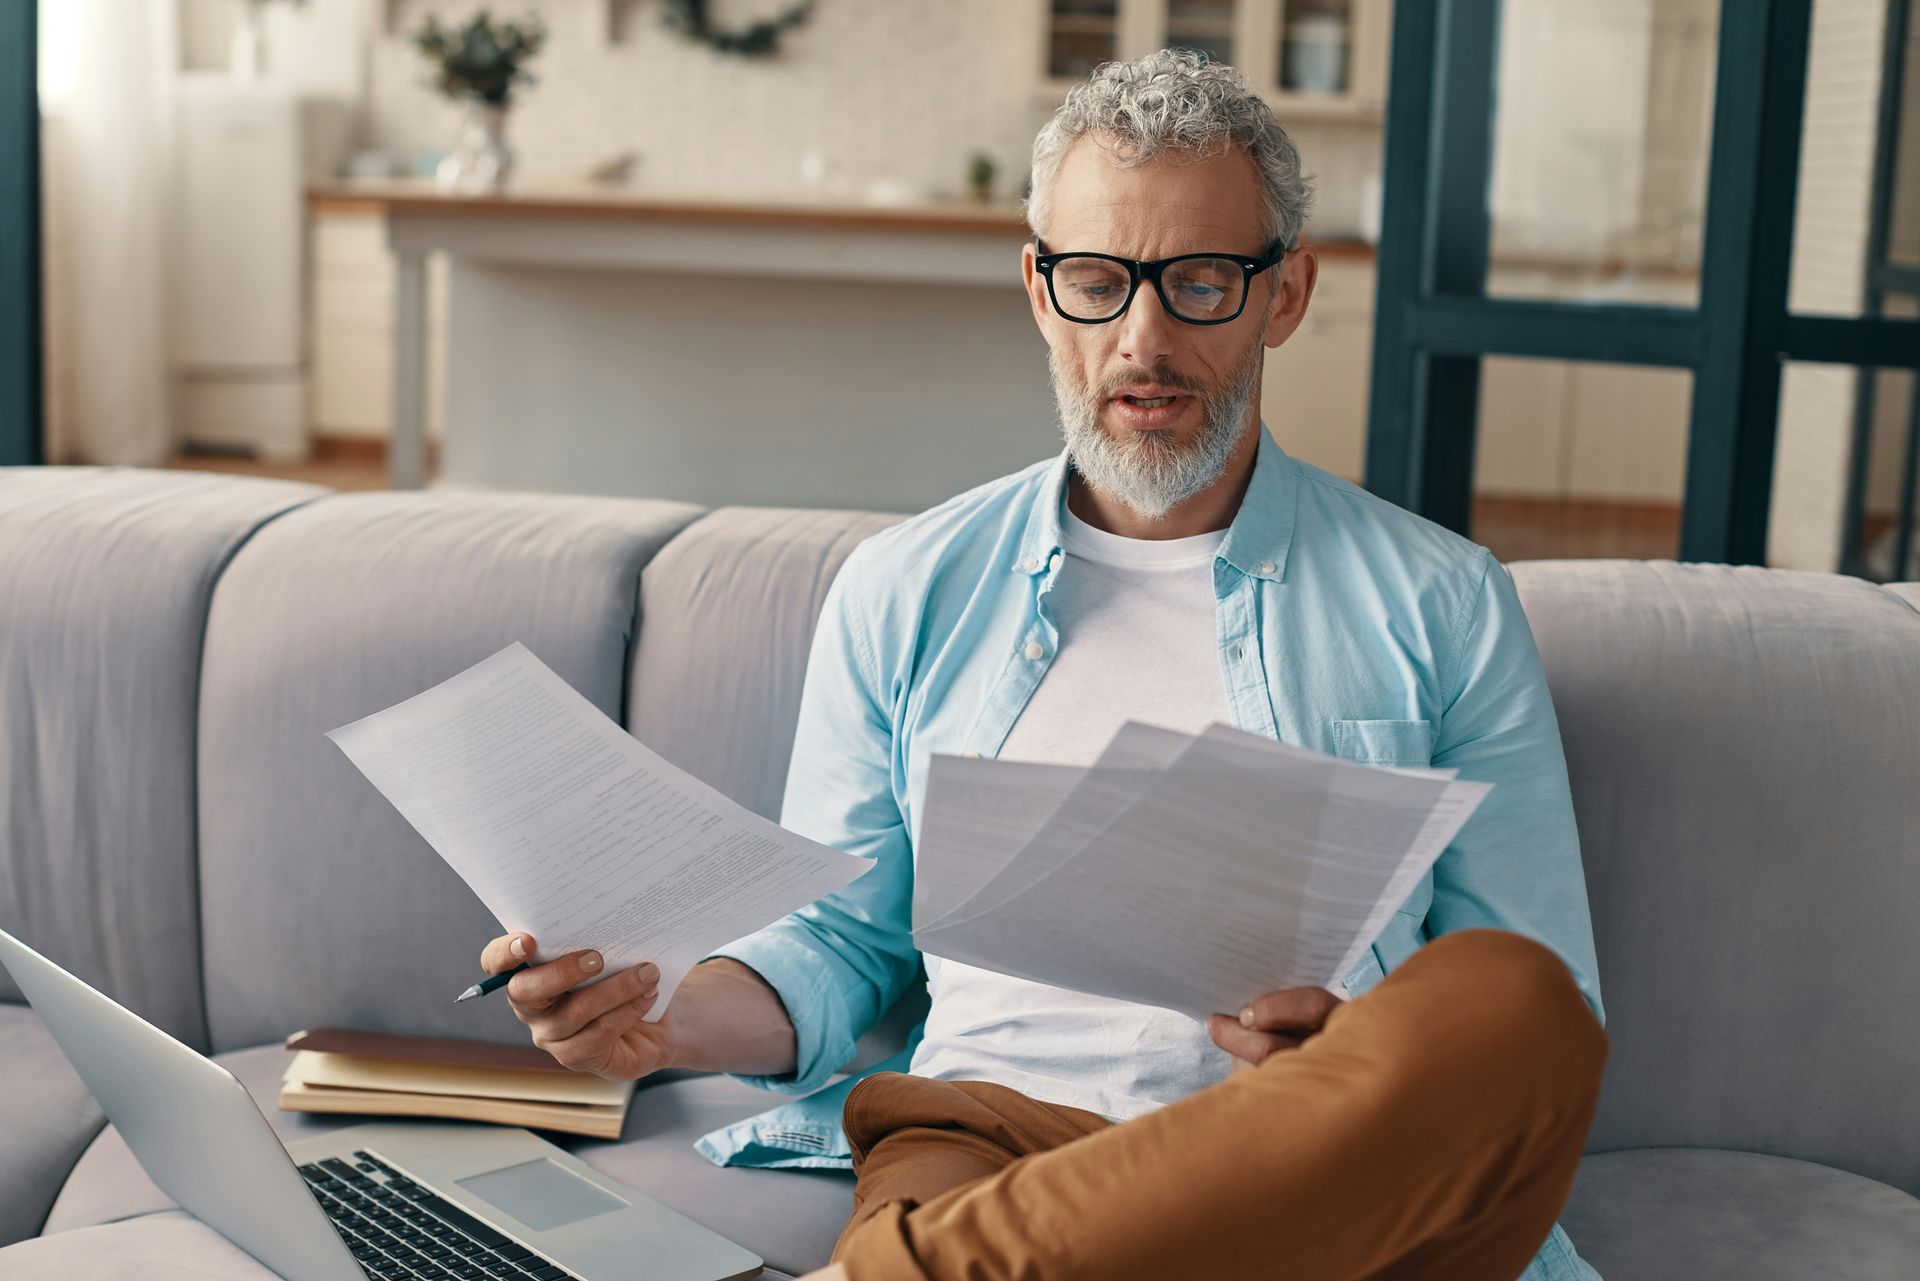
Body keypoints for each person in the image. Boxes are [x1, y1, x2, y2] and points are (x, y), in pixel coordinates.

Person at [480, 50, 1608, 1281]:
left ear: (1285, 295)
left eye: (1201, 283)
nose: (1144, 338)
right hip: (991, 1144)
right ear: (1037, 287)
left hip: (1292, 1155)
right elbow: (846, 947)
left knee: (1517, 998)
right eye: (1096, 280)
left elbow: (1541, 1010)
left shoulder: (1443, 601)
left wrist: (1346, 1056)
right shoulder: (905, 587)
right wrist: (661, 1017)